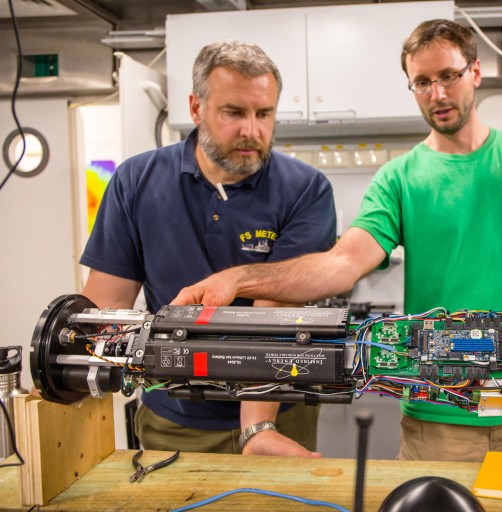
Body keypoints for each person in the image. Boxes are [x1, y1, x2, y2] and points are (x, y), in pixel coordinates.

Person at [173, 20, 502, 463]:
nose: (438, 94)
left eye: (448, 76)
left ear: (476, 72)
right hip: (439, 413)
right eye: (422, 83)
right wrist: (240, 279)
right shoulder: (399, 178)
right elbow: (344, 264)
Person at [79, 41, 336, 457]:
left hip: (279, 415)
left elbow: (278, 315)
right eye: (234, 112)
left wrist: (257, 428)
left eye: (264, 114)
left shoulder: (305, 189)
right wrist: (71, 377)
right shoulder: (135, 181)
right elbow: (106, 310)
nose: (252, 130)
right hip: (175, 418)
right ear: (196, 109)